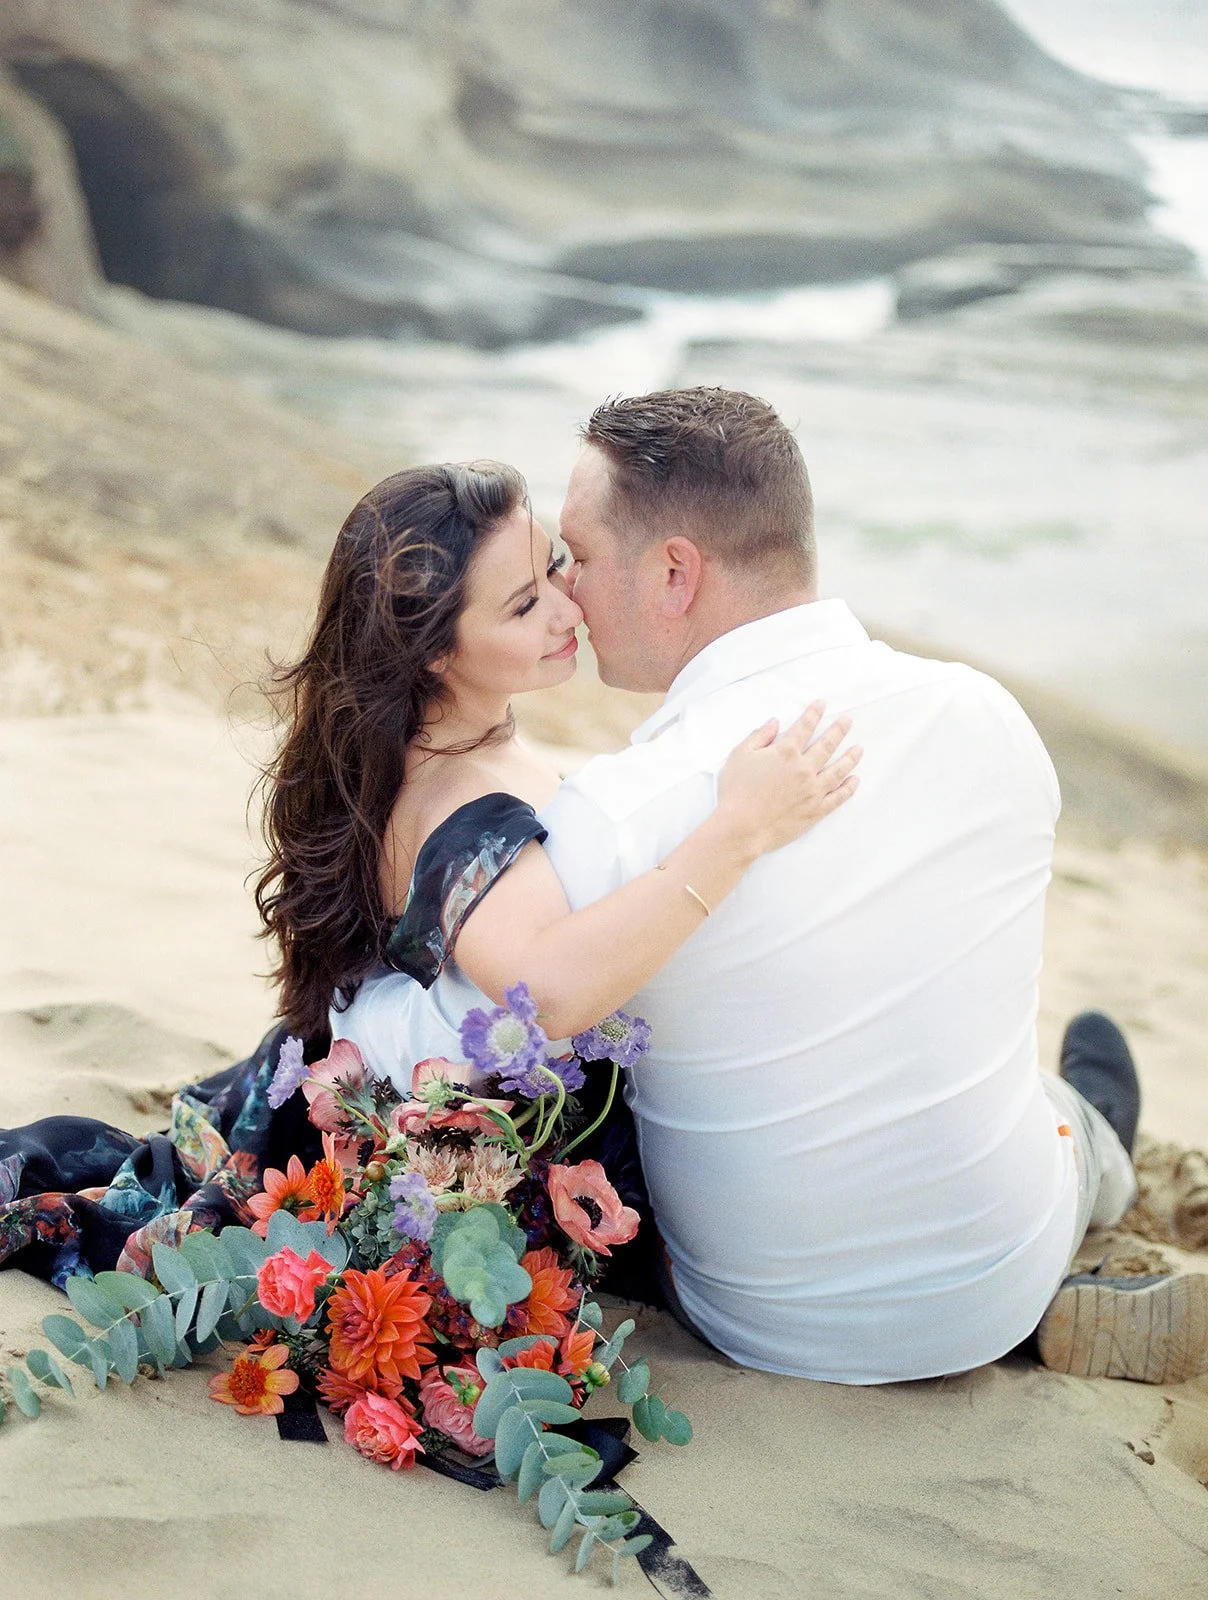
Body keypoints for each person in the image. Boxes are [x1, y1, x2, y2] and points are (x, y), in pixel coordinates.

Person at [0, 460, 860, 1289]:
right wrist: (739, 832)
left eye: (556, 570)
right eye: (525, 606)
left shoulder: (445, 740)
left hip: (367, 1071)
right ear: (435, 654)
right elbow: (545, 991)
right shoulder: (460, 804)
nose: (569, 609)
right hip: (406, 1138)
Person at [521, 385, 1201, 1387]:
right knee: (1045, 1087)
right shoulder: (987, 718)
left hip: (762, 1321)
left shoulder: (615, 808)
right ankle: (1090, 1167)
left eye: (577, 553)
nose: (566, 587)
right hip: (993, 1277)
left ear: (674, 572)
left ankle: (1083, 1139)